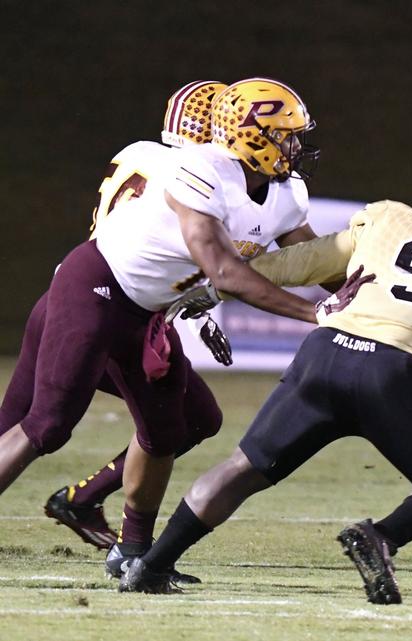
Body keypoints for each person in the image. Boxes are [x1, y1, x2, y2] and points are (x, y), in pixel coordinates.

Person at [119, 159, 412, 605]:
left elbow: (302, 261)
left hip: (324, 353)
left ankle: (151, 565)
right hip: (395, 372)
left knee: (242, 468)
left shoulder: (386, 217)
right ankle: (382, 539)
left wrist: (219, 287)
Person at [0, 77, 322, 581]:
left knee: (171, 428)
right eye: (286, 135)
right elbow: (223, 271)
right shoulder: (198, 170)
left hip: (150, 314)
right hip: (96, 289)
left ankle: (135, 554)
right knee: (46, 424)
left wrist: (373, 272)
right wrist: (312, 315)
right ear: (251, 135)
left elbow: (314, 259)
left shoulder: (286, 193)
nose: (296, 146)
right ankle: (94, 513)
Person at [39, 81, 233, 557]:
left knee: (195, 417)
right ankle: (126, 540)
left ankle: (84, 500)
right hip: (110, 307)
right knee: (40, 425)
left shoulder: (140, 154)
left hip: (85, 292)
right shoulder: (191, 176)